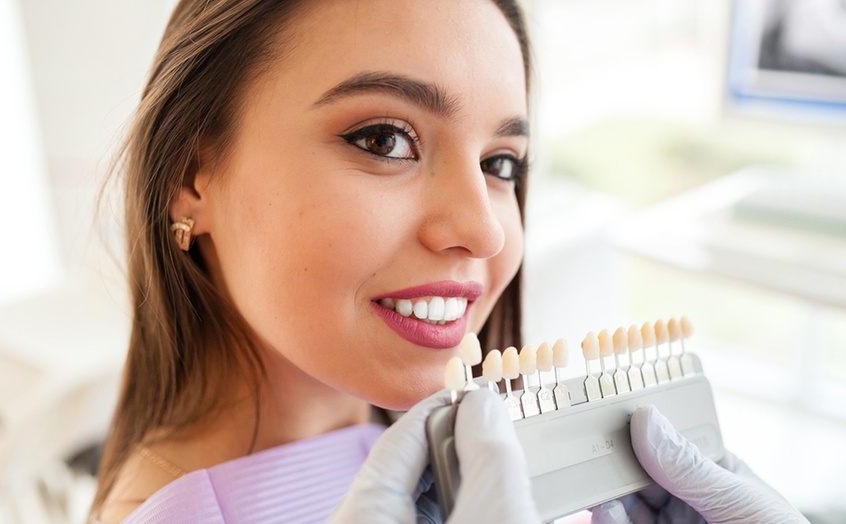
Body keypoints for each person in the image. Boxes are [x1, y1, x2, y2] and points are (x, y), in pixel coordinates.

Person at [90, 0, 808, 522]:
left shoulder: (415, 447)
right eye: (383, 140)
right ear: (192, 177)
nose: (485, 230)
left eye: (501, 163)